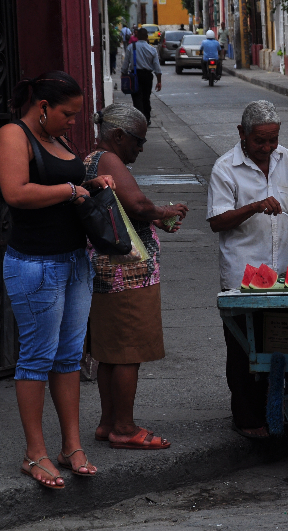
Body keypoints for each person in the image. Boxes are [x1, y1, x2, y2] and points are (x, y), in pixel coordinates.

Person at [0, 71, 115, 489]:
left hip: (74, 261)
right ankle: (35, 453)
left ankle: (72, 447)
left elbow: (71, 183)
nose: (74, 122)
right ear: (43, 107)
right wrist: (69, 190)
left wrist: (90, 183)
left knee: (69, 358)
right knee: (37, 358)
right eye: (68, 113)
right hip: (34, 265)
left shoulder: (57, 138)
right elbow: (17, 192)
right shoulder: (13, 136)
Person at [207, 101, 288, 438]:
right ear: (241, 134)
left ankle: (283, 411)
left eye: (273, 139)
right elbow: (217, 221)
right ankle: (247, 419)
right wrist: (255, 206)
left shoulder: (285, 158)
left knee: (283, 344)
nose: (267, 147)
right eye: (260, 140)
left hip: (283, 275)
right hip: (242, 275)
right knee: (245, 350)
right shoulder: (224, 168)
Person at [85, 103, 188, 450]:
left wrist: (154, 219)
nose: (141, 149)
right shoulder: (108, 159)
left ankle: (107, 423)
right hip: (126, 274)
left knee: (111, 352)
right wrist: (162, 211)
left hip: (107, 273)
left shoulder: (93, 159)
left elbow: (125, 210)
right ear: (117, 136)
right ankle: (125, 428)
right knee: (128, 351)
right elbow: (138, 205)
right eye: (138, 141)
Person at [121, 28, 162, 126]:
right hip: (148, 76)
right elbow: (157, 68)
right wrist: (159, 81)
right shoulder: (152, 49)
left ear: (137, 36)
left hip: (135, 76)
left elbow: (125, 64)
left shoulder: (131, 47)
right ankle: (146, 119)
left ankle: (139, 119)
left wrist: (123, 75)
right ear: (147, 37)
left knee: (136, 98)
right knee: (146, 97)